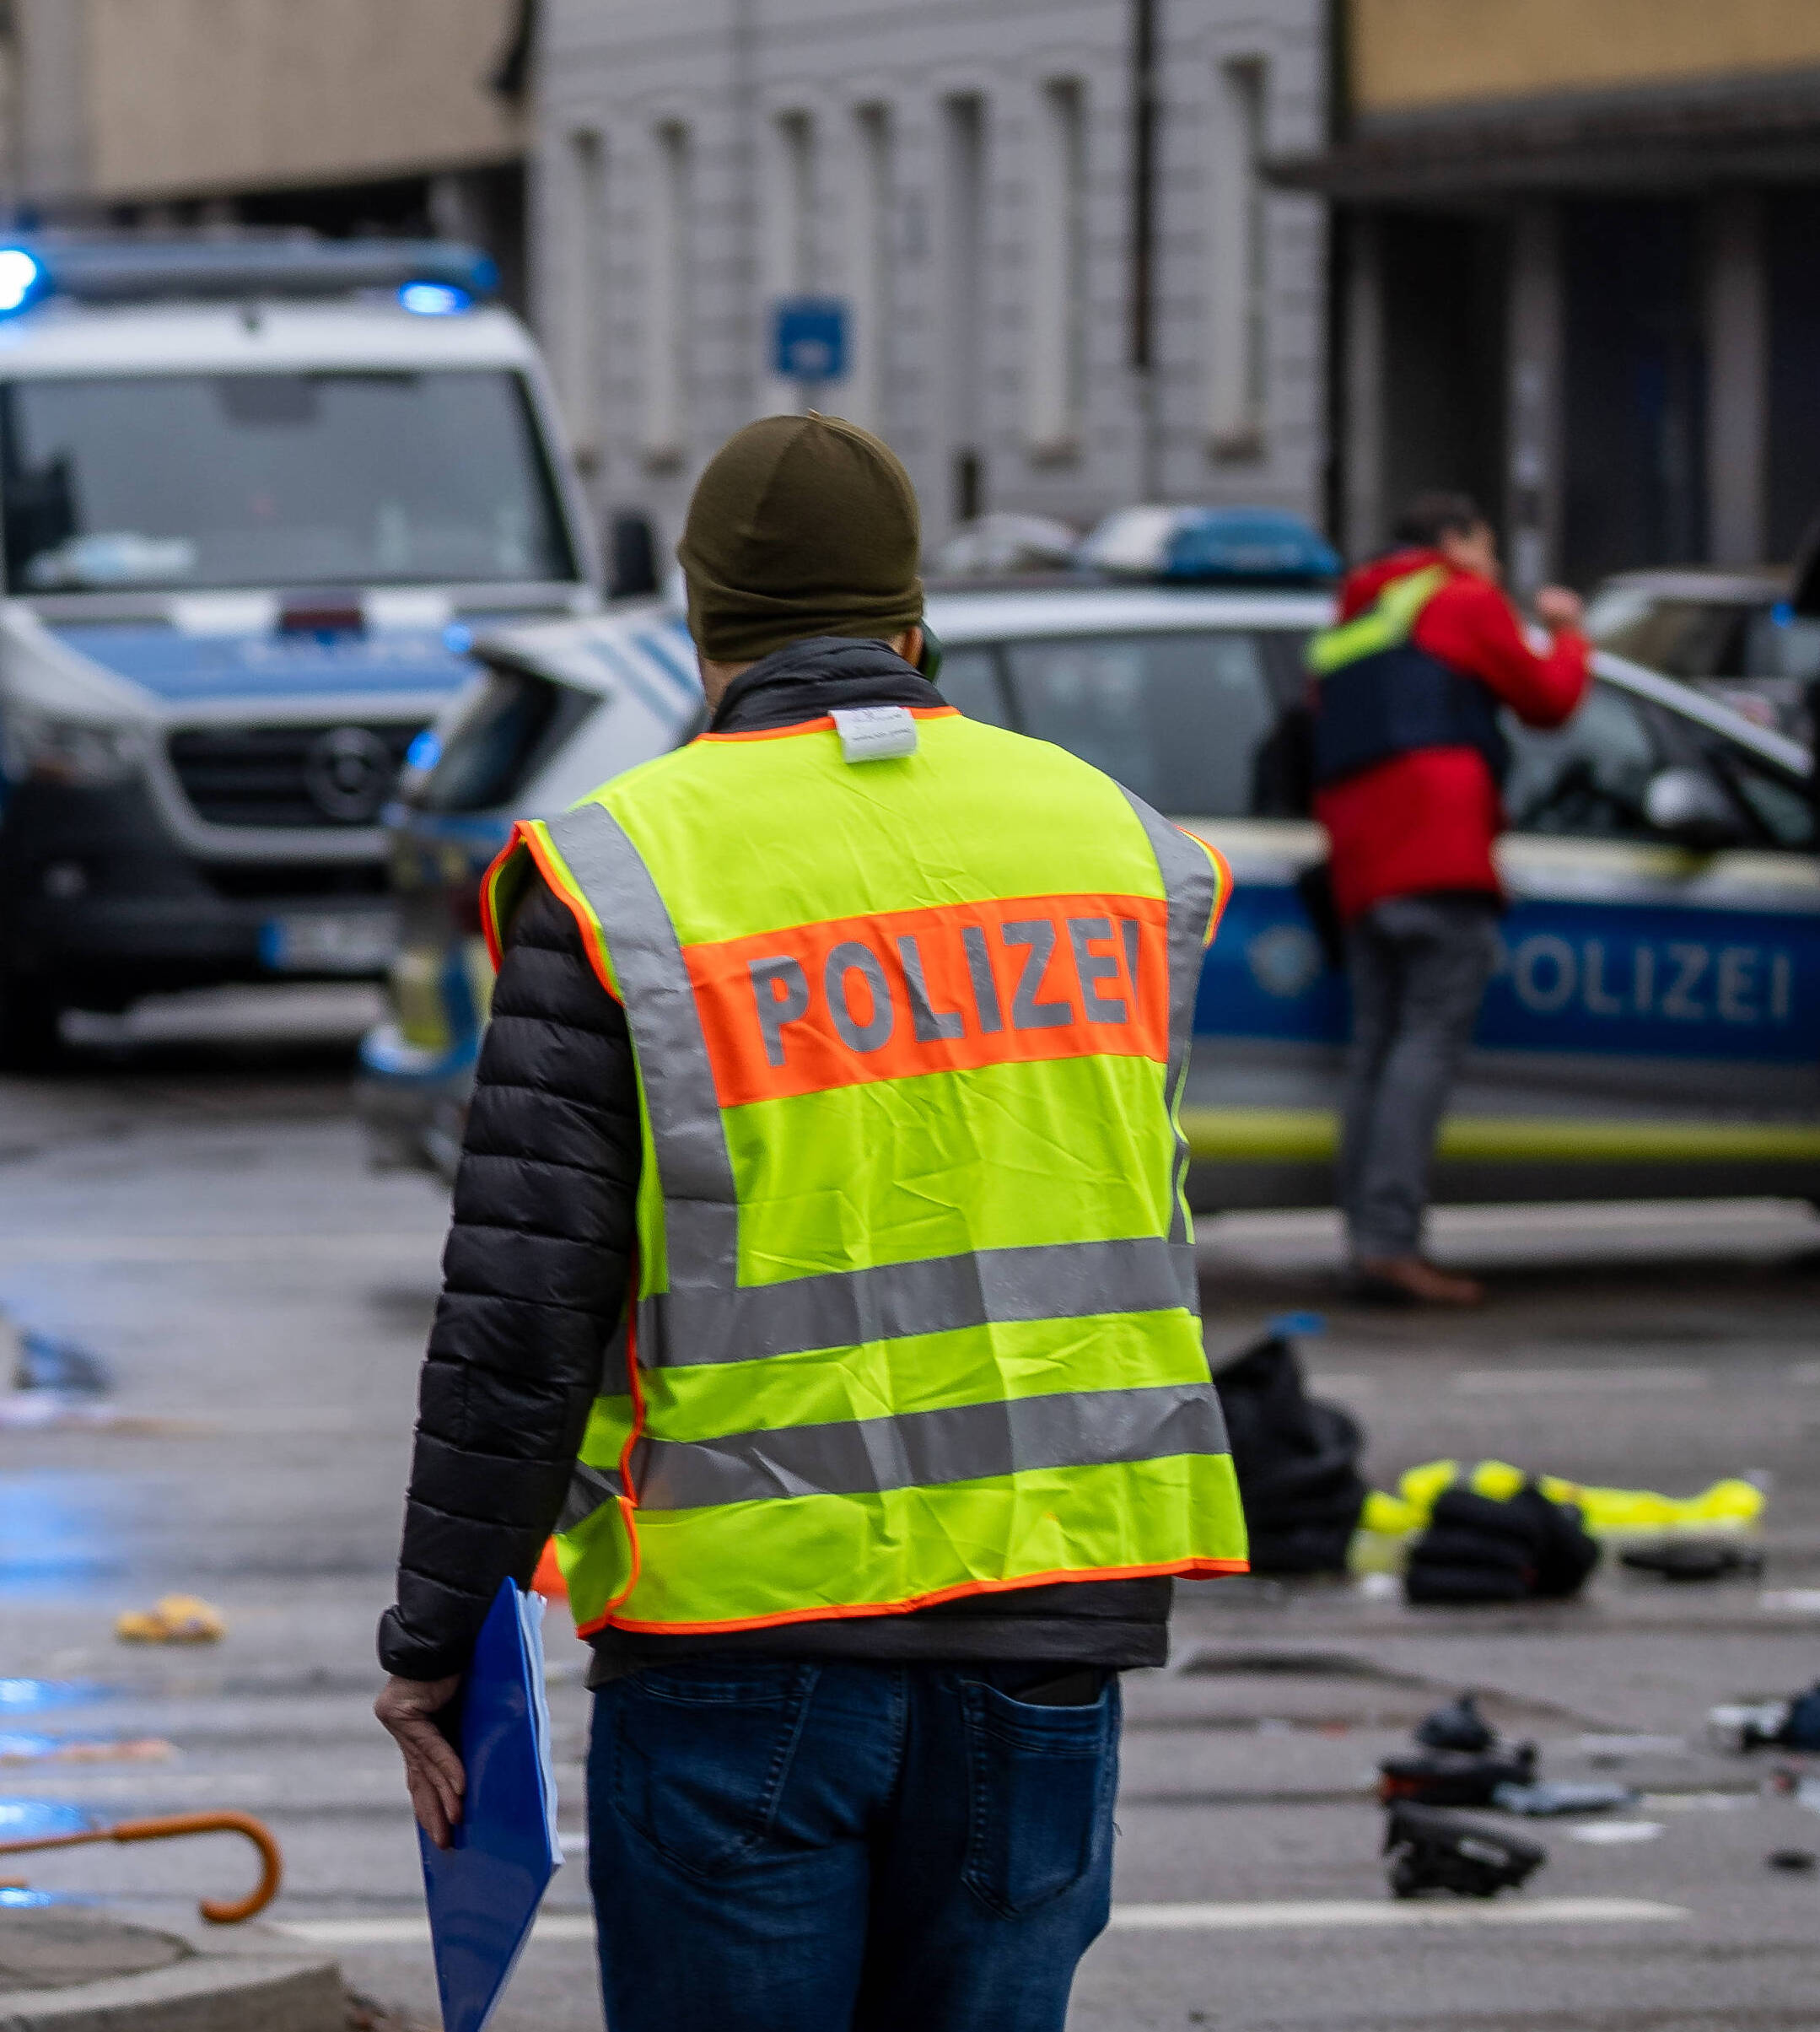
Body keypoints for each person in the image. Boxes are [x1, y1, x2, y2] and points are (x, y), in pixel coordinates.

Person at [371, 416, 1249, 2032]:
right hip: (1046, 1629)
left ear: (702, 631)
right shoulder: (1126, 853)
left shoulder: (620, 876)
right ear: (915, 625)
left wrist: (435, 1635)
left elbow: (521, 1302)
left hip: (741, 1641)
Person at [1310, 492, 1586, 1306]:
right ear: (1455, 542)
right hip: (1441, 852)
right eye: (1489, 547)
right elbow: (1548, 699)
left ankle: (1367, 1238)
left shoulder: (1355, 618)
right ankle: (1393, 1243)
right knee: (1422, 1049)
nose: (1494, 566)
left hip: (1360, 858)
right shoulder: (1460, 599)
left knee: (1378, 1048)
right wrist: (1568, 629)